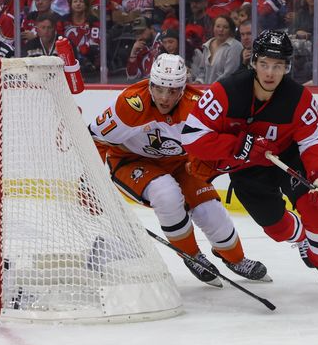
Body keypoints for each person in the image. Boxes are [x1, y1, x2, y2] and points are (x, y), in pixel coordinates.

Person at [181, 30, 318, 295]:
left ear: (287, 67)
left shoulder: (299, 98)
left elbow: (314, 141)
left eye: (278, 66)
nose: (270, 73)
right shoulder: (226, 91)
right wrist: (240, 147)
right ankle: (301, 237)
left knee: (317, 206)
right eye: (265, 64)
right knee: (277, 229)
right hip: (245, 167)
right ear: (253, 62)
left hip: (287, 158)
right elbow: (192, 135)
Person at [89, 53, 270, 286]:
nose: (165, 98)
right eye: (159, 89)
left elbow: (214, 145)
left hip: (180, 163)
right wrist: (89, 182)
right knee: (166, 194)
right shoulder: (131, 104)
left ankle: (235, 259)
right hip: (131, 160)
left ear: (183, 88)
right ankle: (192, 256)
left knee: (210, 211)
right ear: (150, 83)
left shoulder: (197, 106)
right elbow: (95, 138)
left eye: (173, 90)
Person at [197, 15, 243, 84]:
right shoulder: (207, 44)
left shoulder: (235, 46)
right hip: (207, 92)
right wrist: (198, 82)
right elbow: (202, 71)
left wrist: (212, 89)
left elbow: (229, 74)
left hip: (224, 92)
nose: (221, 30)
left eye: (225, 27)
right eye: (218, 26)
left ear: (230, 30)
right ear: (213, 28)